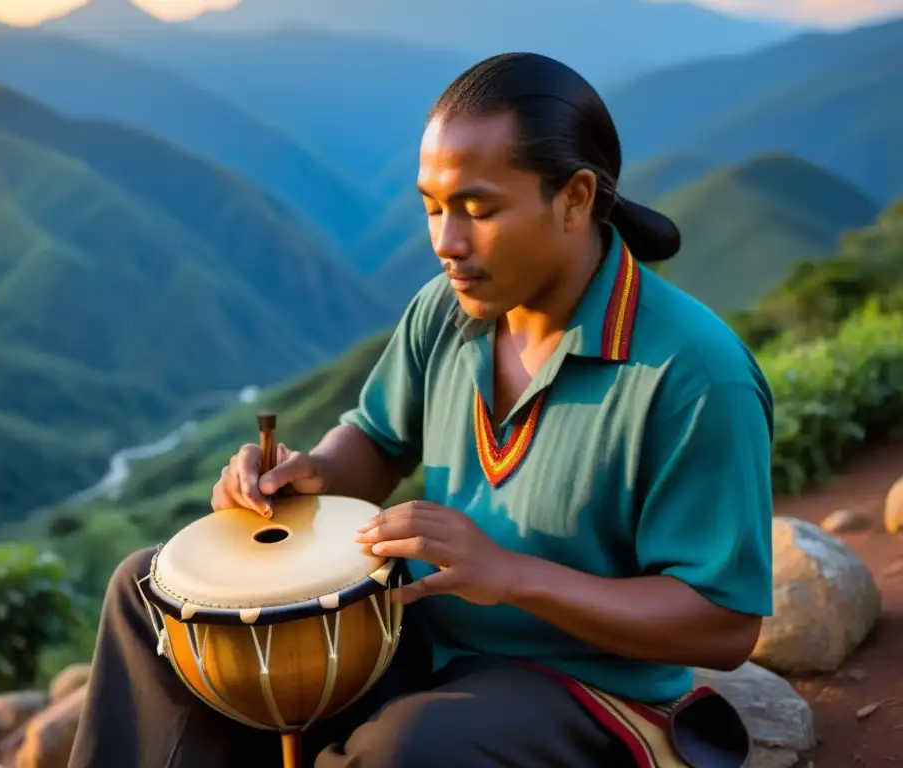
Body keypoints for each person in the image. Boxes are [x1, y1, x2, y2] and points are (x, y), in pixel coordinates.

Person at [69, 52, 774, 768]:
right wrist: (304, 477)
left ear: (575, 198)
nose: (446, 243)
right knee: (152, 594)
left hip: (584, 687)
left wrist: (512, 575)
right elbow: (376, 440)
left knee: (406, 749)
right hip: (416, 636)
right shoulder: (449, 312)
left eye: (479, 209)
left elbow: (721, 625)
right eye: (434, 207)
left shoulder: (693, 374)